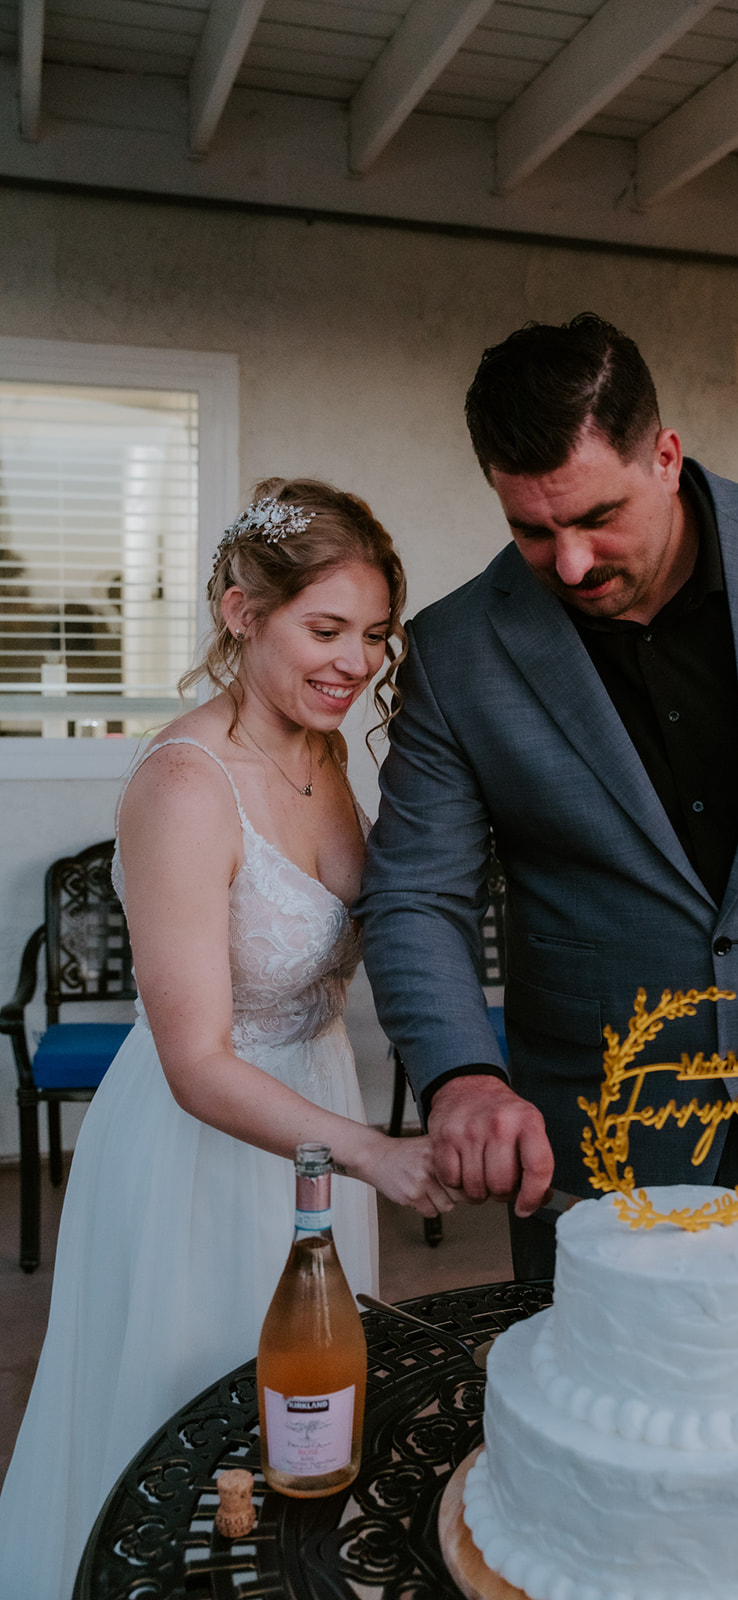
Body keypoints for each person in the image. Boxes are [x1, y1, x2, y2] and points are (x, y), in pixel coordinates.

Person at [359, 314, 738, 1283]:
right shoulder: (458, 649)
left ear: (666, 457)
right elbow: (413, 894)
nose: (569, 562)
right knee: (600, 1425)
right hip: (596, 1137)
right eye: (531, 528)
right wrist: (463, 1075)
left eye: (597, 517)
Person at [0, 478, 454, 1600]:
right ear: (243, 609)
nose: (356, 662)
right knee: (189, 1421)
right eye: (327, 629)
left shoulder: (327, 753)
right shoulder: (183, 786)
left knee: (304, 1416)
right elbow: (197, 1057)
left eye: (375, 636)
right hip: (204, 1146)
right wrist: (375, 1151)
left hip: (312, 1099)